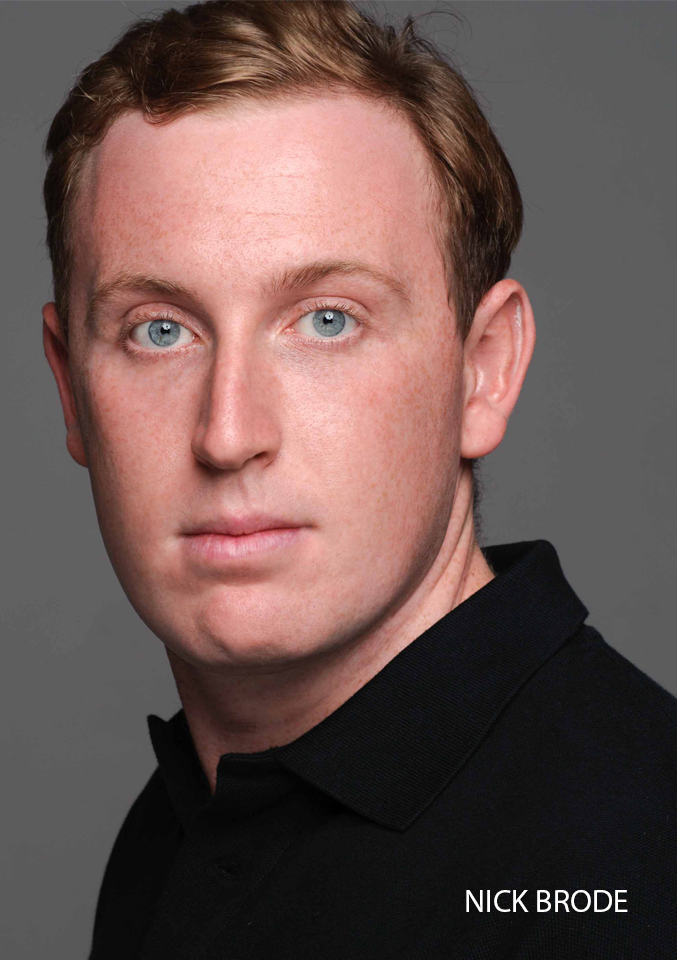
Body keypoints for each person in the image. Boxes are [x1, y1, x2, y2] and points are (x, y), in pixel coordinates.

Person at [41, 2, 677, 957]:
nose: (229, 434)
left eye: (327, 320)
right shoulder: (173, 834)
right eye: (160, 330)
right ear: (70, 388)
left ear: (483, 370)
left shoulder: (633, 860)